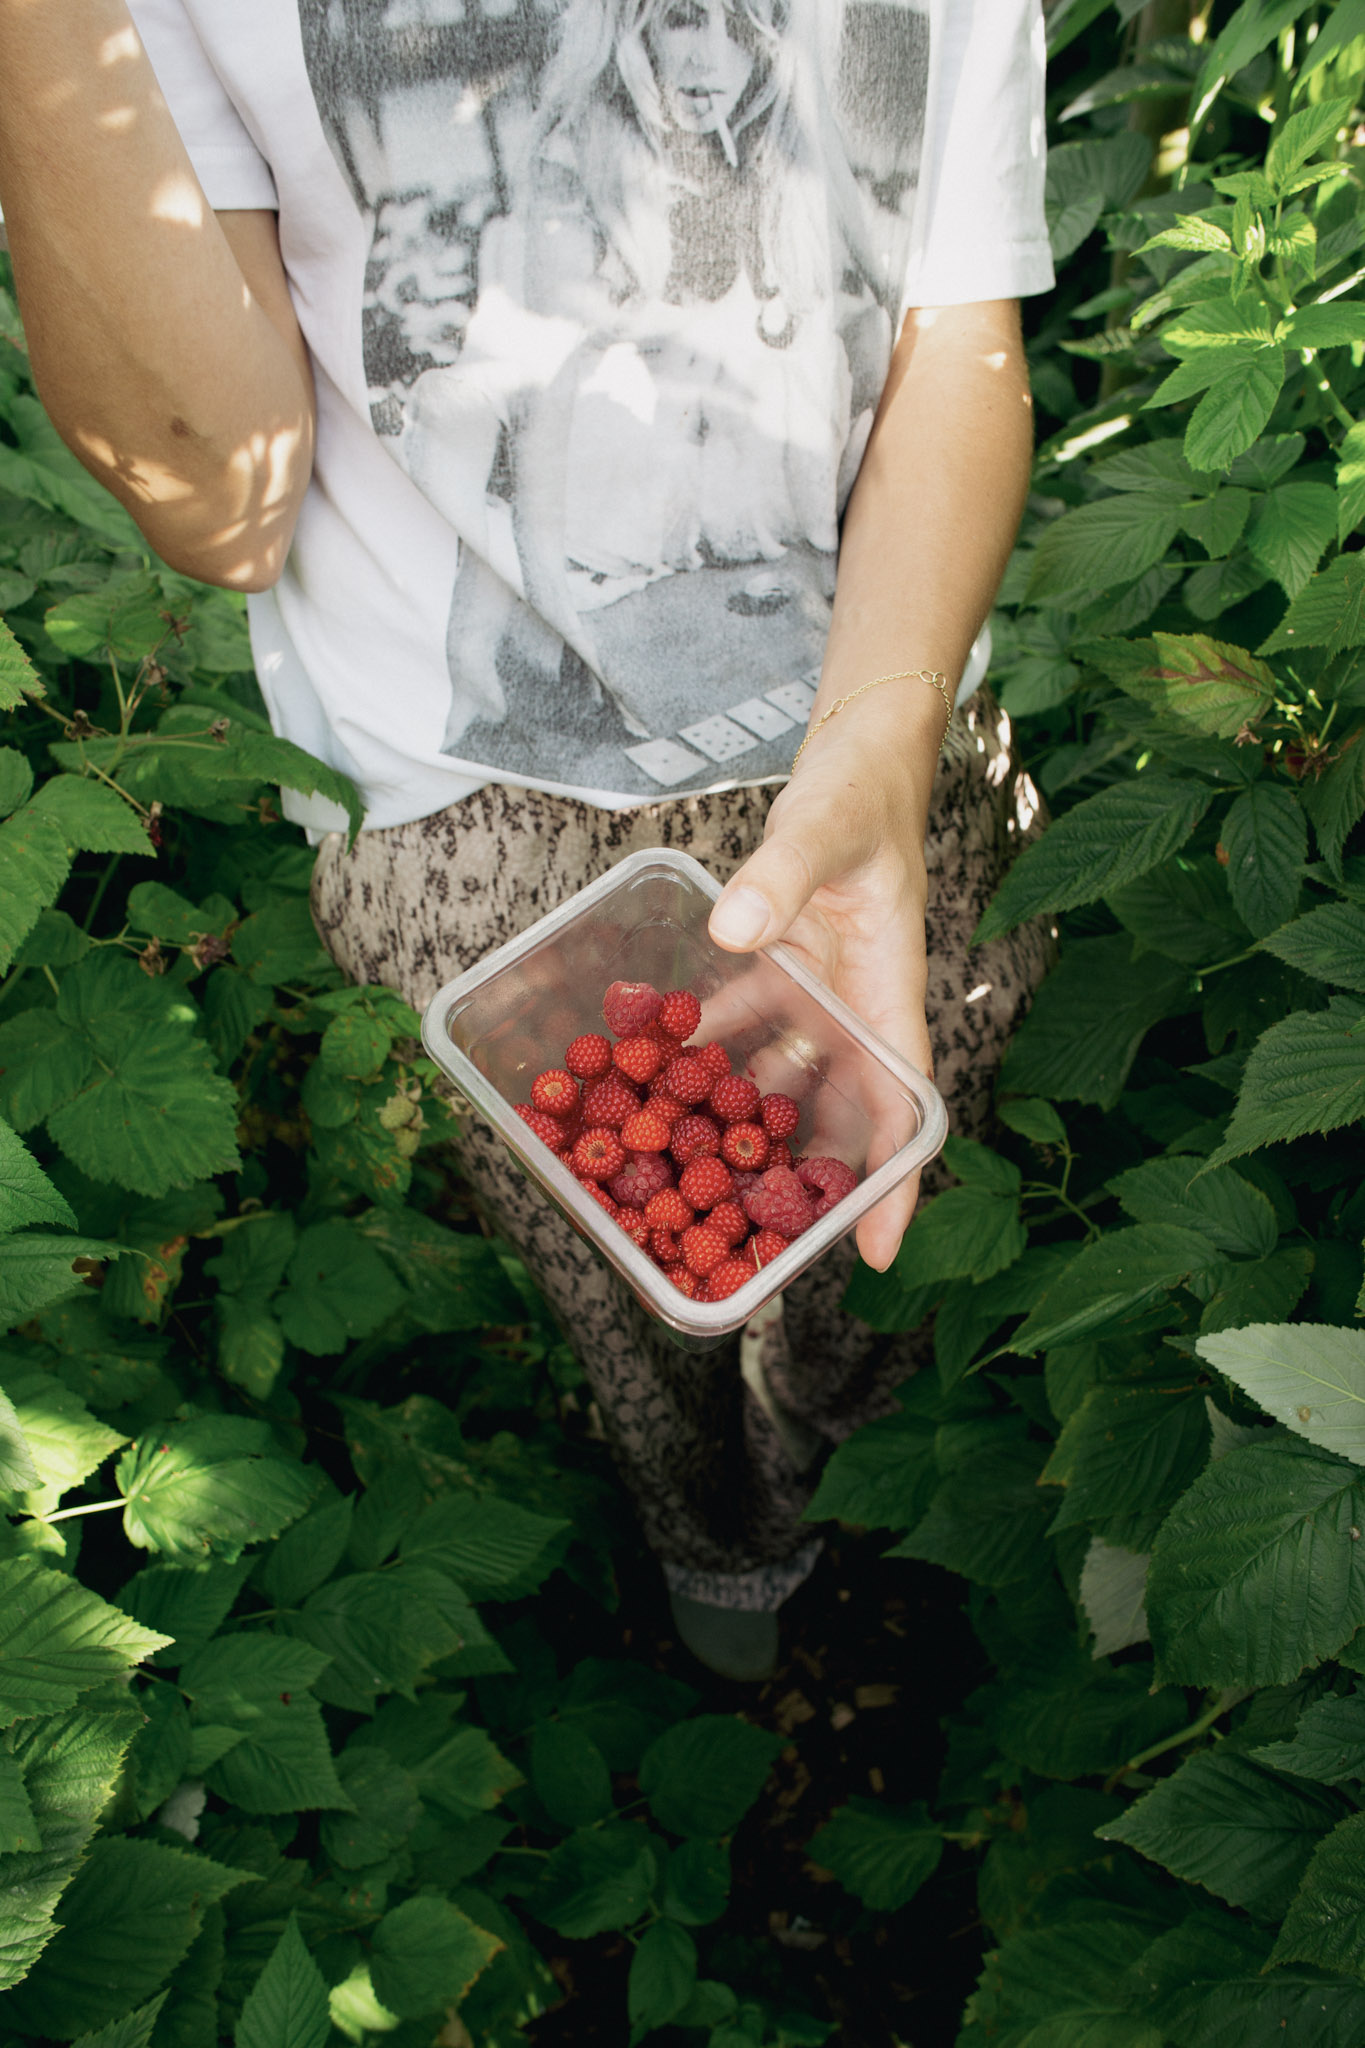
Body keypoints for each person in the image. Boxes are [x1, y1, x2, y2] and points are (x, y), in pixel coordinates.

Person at [0, 0, 1053, 1678]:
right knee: (626, 1284)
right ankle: (714, 1544)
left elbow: (956, 338)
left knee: (877, 1226)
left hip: (886, 724)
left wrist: (875, 740)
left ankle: (840, 1491)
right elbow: (219, 496)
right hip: (478, 819)